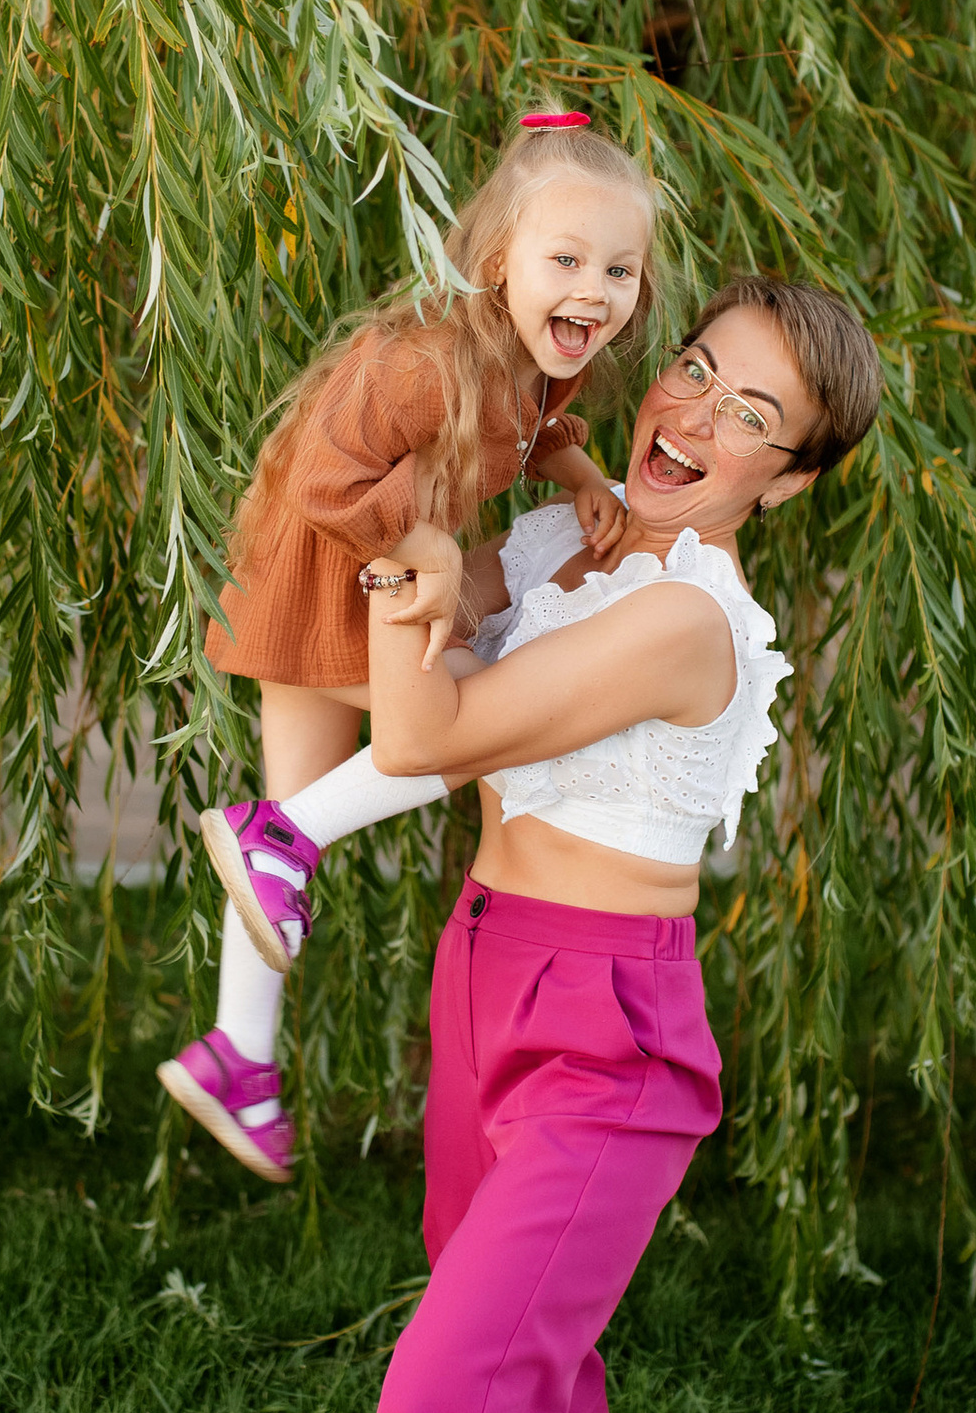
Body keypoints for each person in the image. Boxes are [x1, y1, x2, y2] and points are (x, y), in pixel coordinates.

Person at [356, 277, 881, 1413]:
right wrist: (456, 466)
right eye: (700, 370)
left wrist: (412, 581)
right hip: (486, 969)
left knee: (444, 1410)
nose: (699, 416)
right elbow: (424, 571)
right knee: (527, 1345)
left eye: (753, 416)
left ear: (787, 479)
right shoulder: (564, 542)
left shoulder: (688, 619)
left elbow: (421, 730)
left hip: (608, 1029)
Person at [160, 109, 657, 1183]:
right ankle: (277, 838)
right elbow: (321, 480)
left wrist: (578, 473)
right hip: (326, 579)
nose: (595, 290)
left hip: (346, 578)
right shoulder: (426, 362)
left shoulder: (532, 360)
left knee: (284, 845)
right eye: (567, 261)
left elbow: (523, 432)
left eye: (620, 271)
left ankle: (237, 1053)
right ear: (498, 262)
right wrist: (425, 536)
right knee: (471, 724)